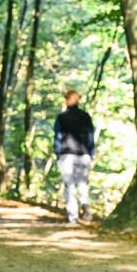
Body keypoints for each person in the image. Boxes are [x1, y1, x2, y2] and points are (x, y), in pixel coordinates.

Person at [53, 89, 95, 225]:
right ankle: (84, 202)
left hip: (67, 155)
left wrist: (58, 153)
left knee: (69, 185)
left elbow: (58, 137)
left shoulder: (61, 117)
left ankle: (73, 217)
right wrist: (91, 153)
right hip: (83, 154)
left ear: (66, 100)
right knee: (82, 183)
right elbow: (90, 137)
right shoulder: (86, 116)